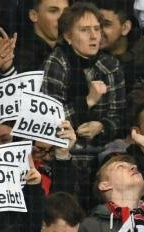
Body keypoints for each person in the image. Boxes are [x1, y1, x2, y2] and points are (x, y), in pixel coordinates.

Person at [41, 3, 126, 148]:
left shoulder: (110, 65)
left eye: (97, 29)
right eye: (85, 30)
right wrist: (88, 101)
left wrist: (102, 126)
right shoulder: (56, 63)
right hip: (62, 149)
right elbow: (49, 121)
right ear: (68, 36)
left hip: (102, 148)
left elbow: (120, 116)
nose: (94, 36)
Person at [14, 0, 69, 72]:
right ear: (33, 15)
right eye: (53, 11)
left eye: (66, 12)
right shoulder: (24, 59)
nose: (62, 18)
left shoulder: (70, 52)